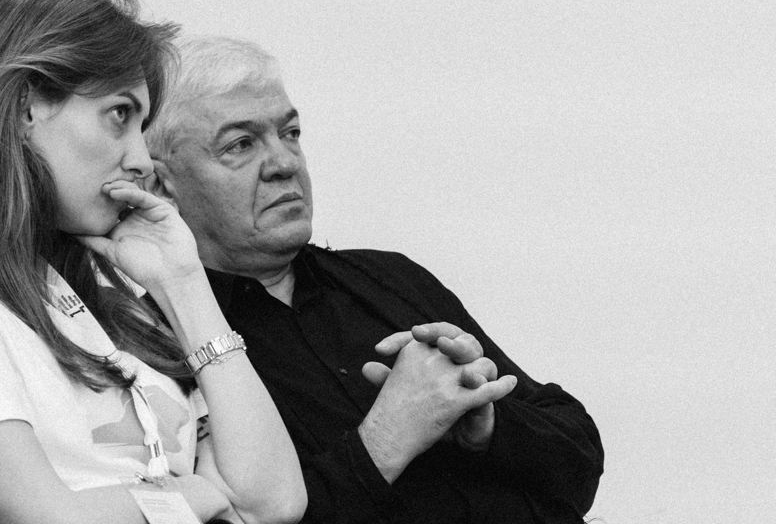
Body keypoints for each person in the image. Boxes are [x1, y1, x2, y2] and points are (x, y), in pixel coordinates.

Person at [145, 35, 604, 524]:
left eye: (291, 133)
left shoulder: (388, 276)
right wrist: (389, 436)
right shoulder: (160, 341)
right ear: (162, 186)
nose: (285, 163)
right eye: (240, 144)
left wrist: (486, 425)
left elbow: (580, 458)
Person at [0, 0, 307, 524]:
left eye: (142, 126)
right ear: (27, 107)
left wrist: (182, 283)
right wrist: (198, 495)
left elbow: (274, 502)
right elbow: (48, 516)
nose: (142, 160)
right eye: (119, 114)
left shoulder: (112, 295)